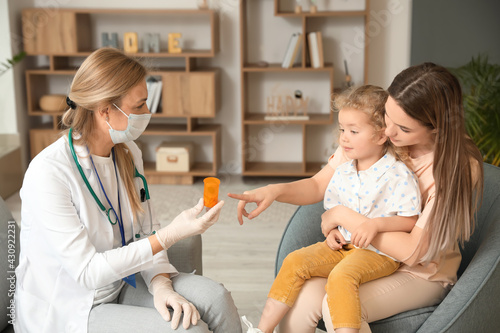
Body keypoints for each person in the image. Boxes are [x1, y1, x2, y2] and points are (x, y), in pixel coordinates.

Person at [229, 63, 484, 333]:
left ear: (437, 128)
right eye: (387, 117)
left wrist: (341, 216)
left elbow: (412, 251)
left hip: (420, 272)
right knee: (303, 295)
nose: (388, 132)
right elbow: (317, 184)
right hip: (363, 252)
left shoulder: (457, 167)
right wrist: (274, 190)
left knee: (335, 302)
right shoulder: (373, 137)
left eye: (404, 129)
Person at [14, 48, 241, 333]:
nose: (148, 113)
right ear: (105, 110)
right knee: (190, 330)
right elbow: (87, 273)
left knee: (216, 299)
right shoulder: (49, 173)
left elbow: (144, 231)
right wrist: (172, 234)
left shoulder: (128, 153)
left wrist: (161, 286)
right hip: (71, 309)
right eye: (139, 106)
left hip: (119, 284)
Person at [238, 85, 421, 333]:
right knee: (294, 261)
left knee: (341, 277)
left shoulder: (398, 174)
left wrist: (375, 225)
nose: (343, 137)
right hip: (343, 246)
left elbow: (409, 220)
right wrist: (332, 229)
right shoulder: (344, 169)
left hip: (378, 253)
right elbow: (329, 203)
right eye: (342, 129)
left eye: (353, 131)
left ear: (380, 136)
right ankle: (261, 331)